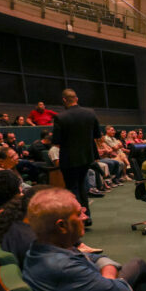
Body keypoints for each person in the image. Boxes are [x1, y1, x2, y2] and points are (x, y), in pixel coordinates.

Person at [52, 89, 101, 226]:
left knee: (72, 188)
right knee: (82, 186)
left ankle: (78, 217)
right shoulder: (90, 113)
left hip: (69, 159)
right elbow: (97, 135)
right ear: (76, 98)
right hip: (87, 157)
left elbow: (56, 140)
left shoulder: (60, 117)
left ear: (64, 100)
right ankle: (87, 216)